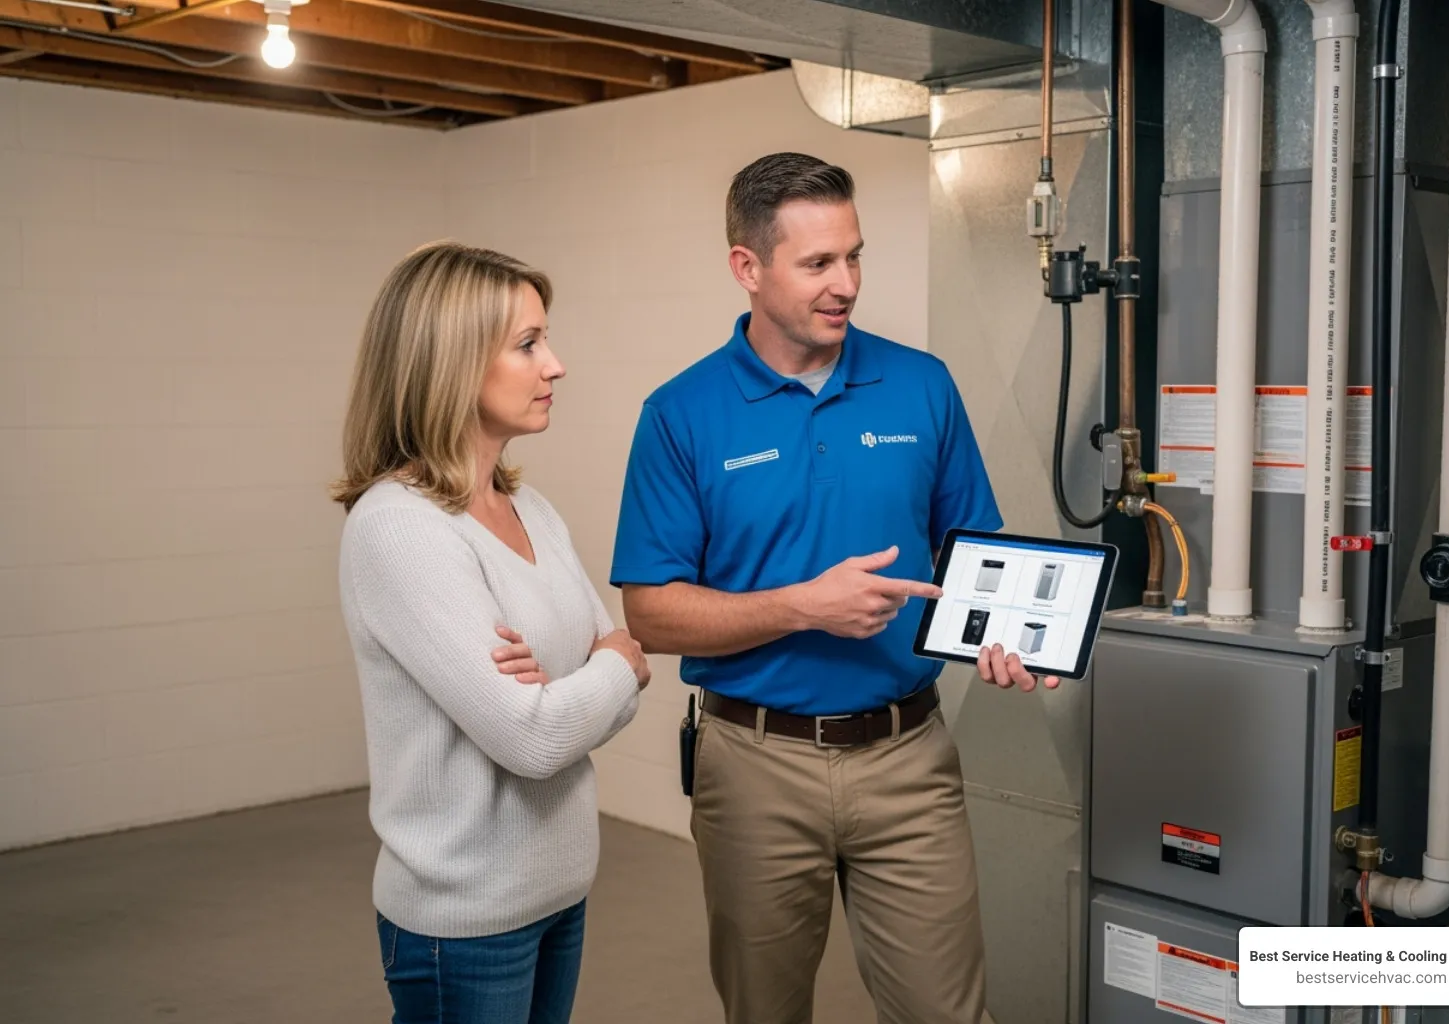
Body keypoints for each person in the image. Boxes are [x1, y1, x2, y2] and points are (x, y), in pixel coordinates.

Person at [609, 152, 1055, 1024]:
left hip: (910, 761)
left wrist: (1005, 633)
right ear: (748, 267)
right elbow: (651, 614)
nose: (845, 283)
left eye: (854, 256)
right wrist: (802, 606)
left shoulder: (921, 384)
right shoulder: (682, 414)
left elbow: (978, 548)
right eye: (817, 263)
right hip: (754, 766)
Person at [333, 241, 649, 1024]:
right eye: (528, 344)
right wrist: (600, 669)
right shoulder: (400, 529)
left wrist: (580, 678)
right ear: (451, 363)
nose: (556, 365)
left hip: (560, 887)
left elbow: (619, 671)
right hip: (464, 919)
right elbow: (539, 738)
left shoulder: (530, 509)